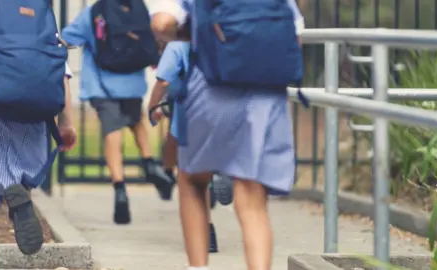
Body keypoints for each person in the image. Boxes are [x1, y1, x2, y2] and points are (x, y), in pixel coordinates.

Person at [149, 0, 305, 269]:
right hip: (266, 93)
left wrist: (183, 35)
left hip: (212, 84)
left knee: (192, 180)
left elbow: (161, 22)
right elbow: (296, 35)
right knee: (252, 195)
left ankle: (199, 266)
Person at [0, 1, 77, 267]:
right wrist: (66, 121)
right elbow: (60, 68)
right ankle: (18, 193)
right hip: (31, 107)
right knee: (18, 174)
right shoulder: (35, 8)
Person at [61, 0, 174, 225]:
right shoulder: (139, 9)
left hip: (101, 84)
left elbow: (64, 38)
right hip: (132, 82)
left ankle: (120, 187)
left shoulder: (94, 13)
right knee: (136, 120)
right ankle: (149, 162)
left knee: (112, 130)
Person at [147, 19, 221, 253]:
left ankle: (206, 234)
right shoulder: (222, 43)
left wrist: (152, 107)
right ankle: (222, 175)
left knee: (190, 177)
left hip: (190, 112)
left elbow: (163, 81)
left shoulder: (177, 47)